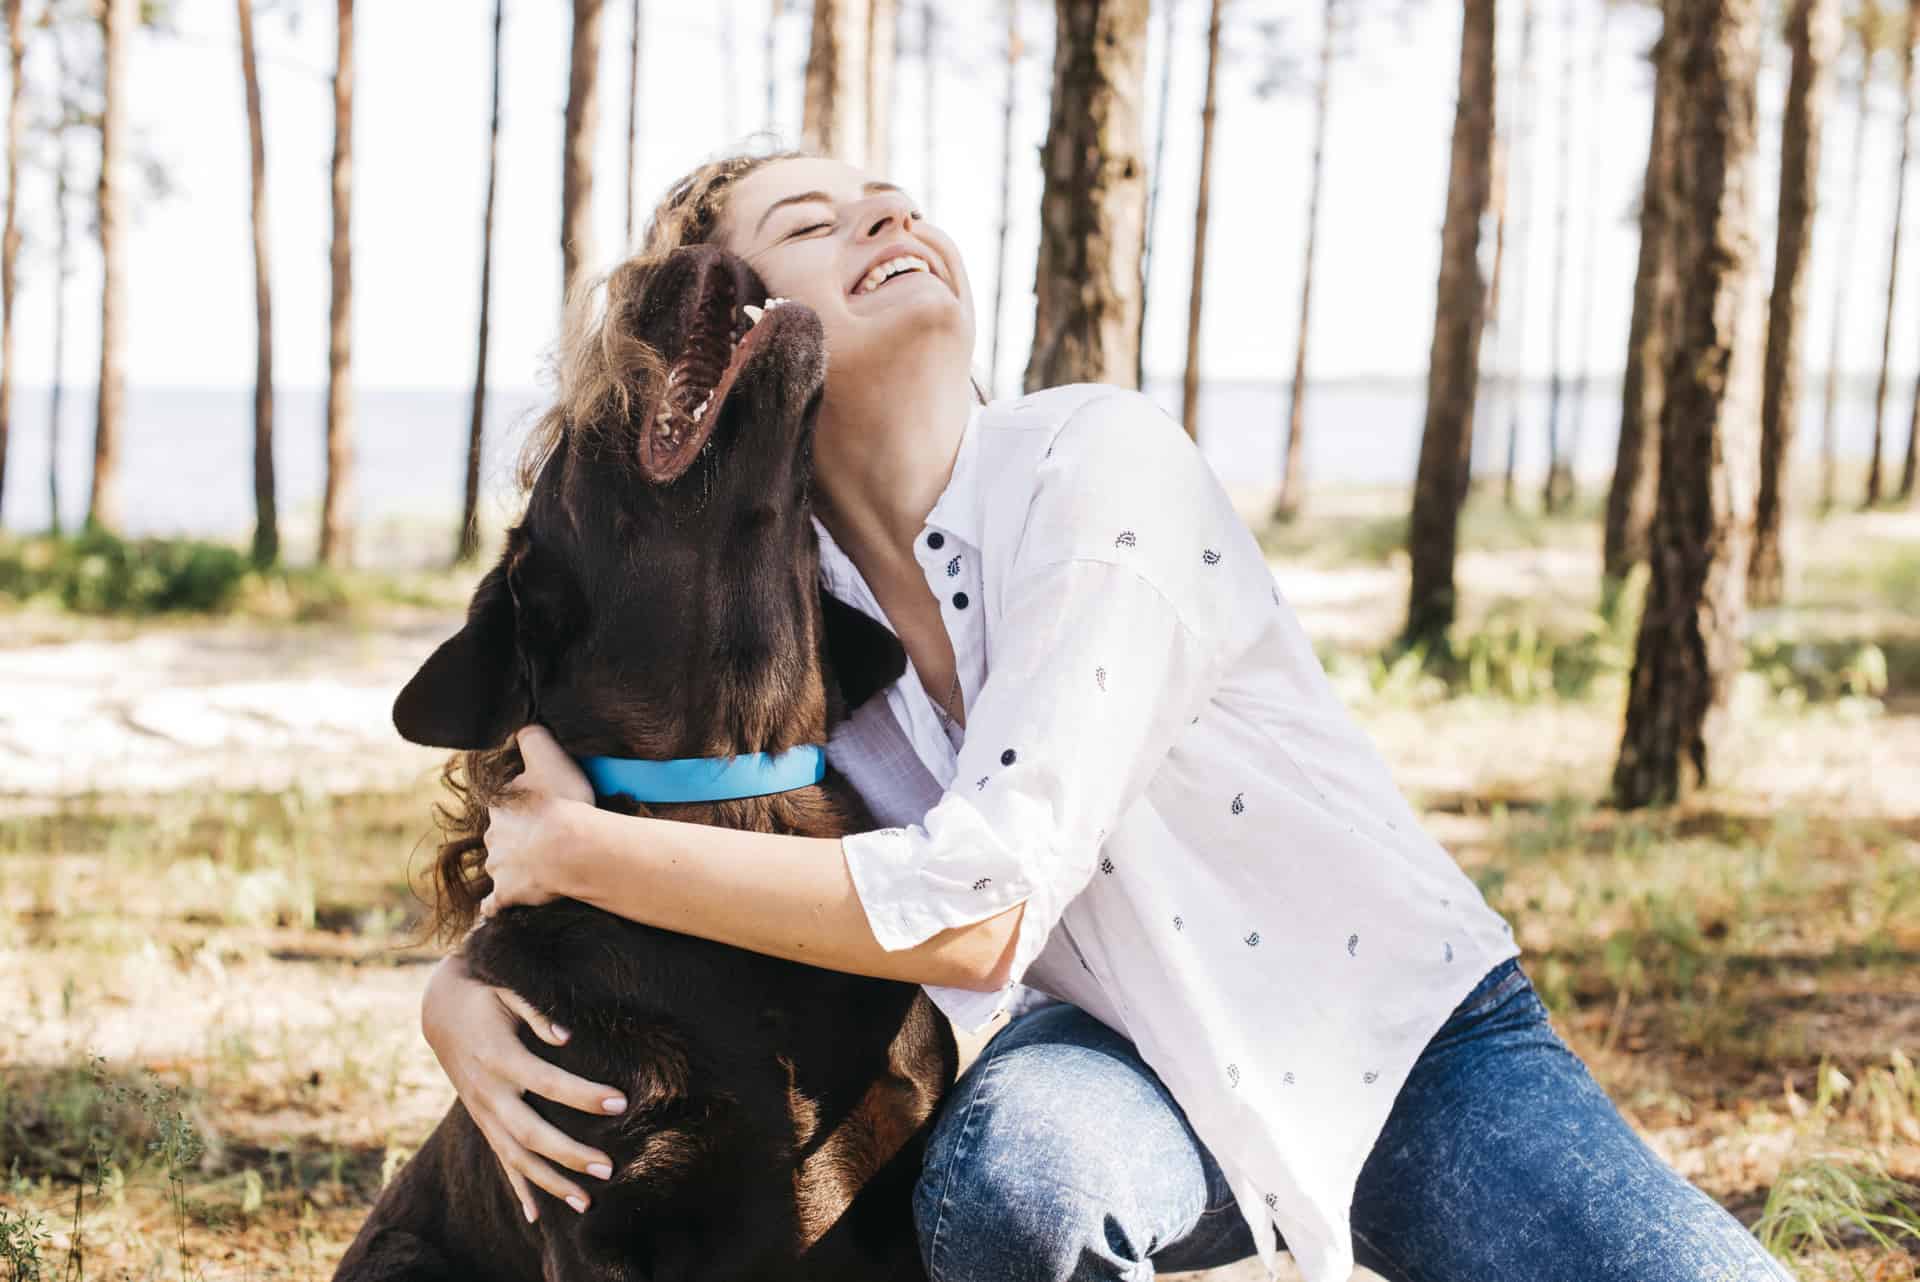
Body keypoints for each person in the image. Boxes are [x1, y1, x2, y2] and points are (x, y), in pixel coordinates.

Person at [416, 145, 1797, 1282]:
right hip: (1121, 1061)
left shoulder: (1096, 463)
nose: (889, 212)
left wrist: (580, 856)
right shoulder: (787, 603)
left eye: (890, 196)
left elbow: (984, 906)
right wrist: (458, 990)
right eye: (810, 220)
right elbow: (639, 794)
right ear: (734, 321)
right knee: (1018, 1181)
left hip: (1401, 1039)